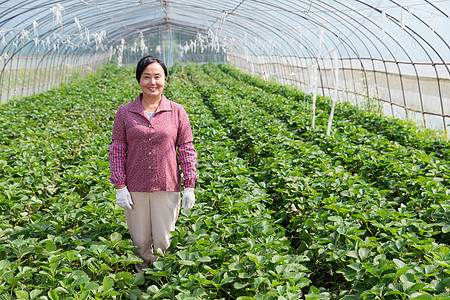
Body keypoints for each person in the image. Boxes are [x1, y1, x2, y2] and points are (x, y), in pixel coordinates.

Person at [108, 55, 199, 273]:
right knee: (140, 242)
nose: (152, 82)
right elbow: (117, 150)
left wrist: (189, 186)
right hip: (135, 187)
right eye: (146, 76)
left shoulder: (177, 111)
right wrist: (120, 186)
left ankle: (164, 281)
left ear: (165, 79)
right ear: (139, 80)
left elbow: (186, 149)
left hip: (167, 186)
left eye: (157, 76)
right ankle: (143, 283)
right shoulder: (125, 112)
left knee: (164, 240)